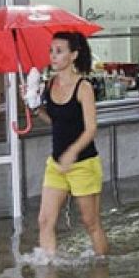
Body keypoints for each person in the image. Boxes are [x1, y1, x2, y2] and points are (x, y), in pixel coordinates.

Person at [36, 31, 109, 259]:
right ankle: (48, 271)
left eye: (59, 51)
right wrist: (35, 108)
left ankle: (102, 268)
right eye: (51, 51)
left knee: (90, 223)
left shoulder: (83, 87)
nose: (53, 56)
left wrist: (72, 153)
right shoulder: (49, 85)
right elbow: (56, 121)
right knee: (45, 220)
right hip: (56, 164)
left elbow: (91, 129)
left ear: (74, 55)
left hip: (83, 164)